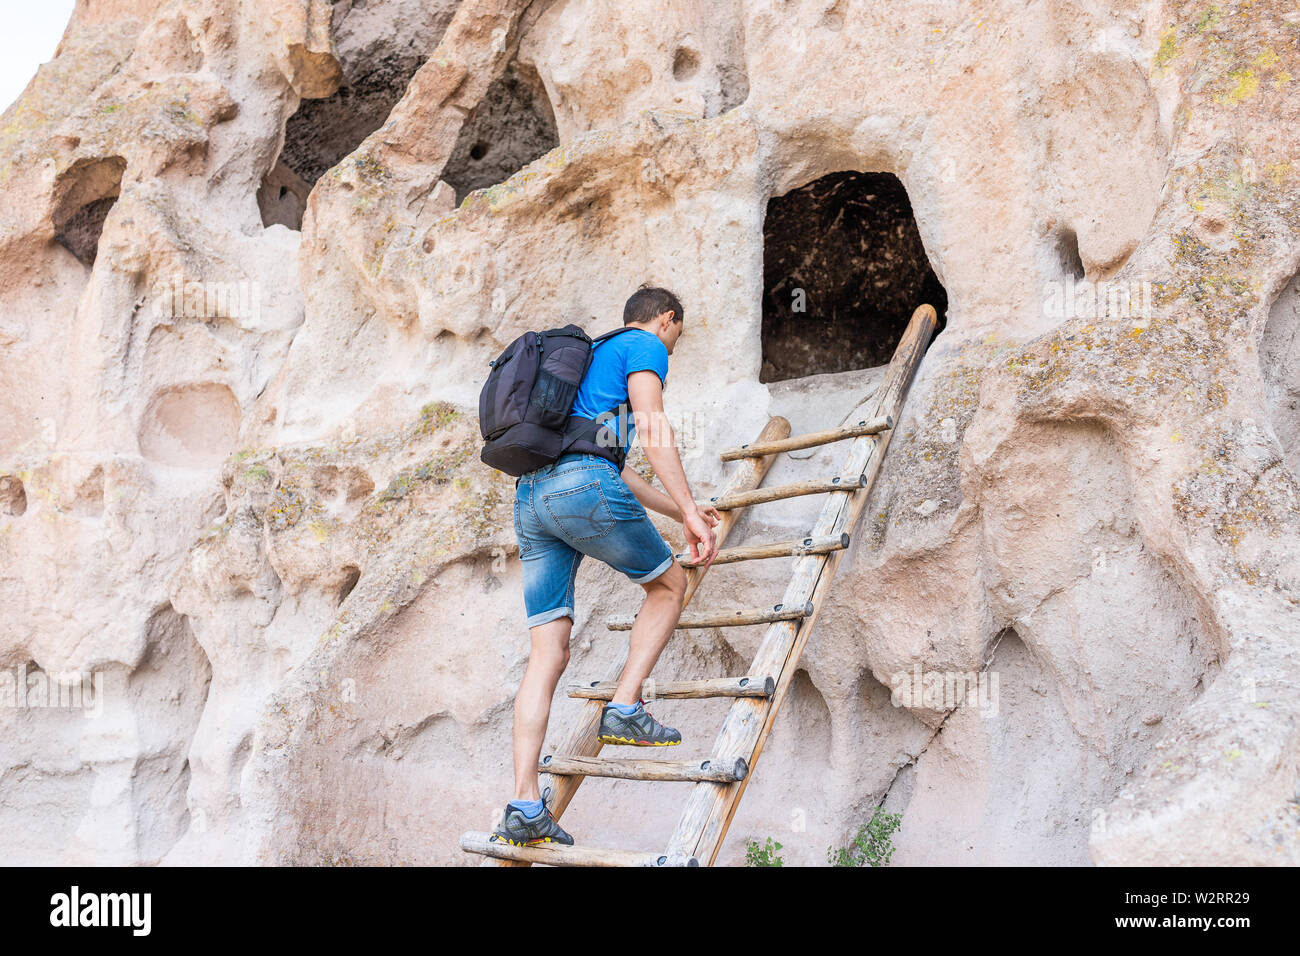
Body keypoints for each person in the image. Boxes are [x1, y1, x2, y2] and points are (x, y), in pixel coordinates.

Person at [492, 285, 720, 847]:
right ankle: (624, 705)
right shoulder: (645, 345)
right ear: (667, 319)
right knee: (669, 585)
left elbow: (617, 470)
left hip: (531, 499)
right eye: (676, 334)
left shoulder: (585, 364)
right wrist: (690, 512)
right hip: (580, 487)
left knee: (547, 651)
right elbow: (652, 426)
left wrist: (683, 509)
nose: (671, 347)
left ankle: (524, 803)